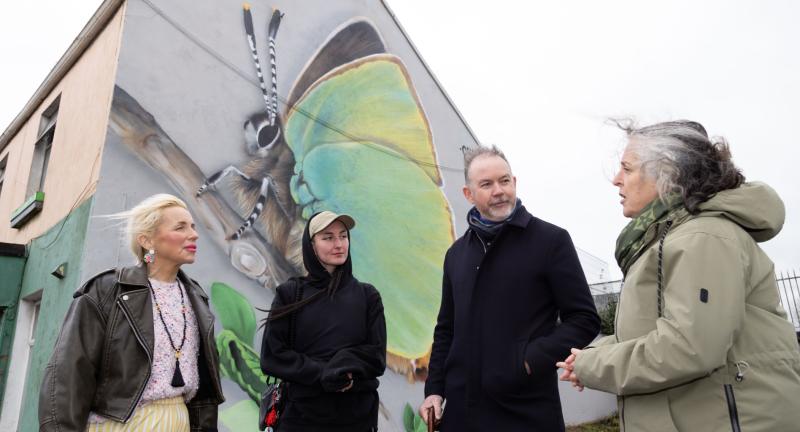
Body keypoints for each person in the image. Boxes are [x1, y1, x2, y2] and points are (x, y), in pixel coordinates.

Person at [557, 120, 800, 431]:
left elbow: (689, 347)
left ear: (667, 173)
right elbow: (652, 333)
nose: (616, 180)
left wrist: (592, 366)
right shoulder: (667, 240)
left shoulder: (703, 237)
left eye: (627, 169)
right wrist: (593, 354)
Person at [418, 145, 601, 431]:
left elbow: (584, 319)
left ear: (514, 183)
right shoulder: (456, 255)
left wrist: (528, 360)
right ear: (468, 194)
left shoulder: (550, 241)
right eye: (487, 184)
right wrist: (434, 390)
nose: (499, 190)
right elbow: (446, 329)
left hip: (525, 410)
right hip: (462, 412)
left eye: (504, 181)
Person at [38, 193, 224, 431]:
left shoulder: (195, 296)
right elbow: (68, 374)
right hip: (119, 424)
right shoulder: (106, 291)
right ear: (147, 240)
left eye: (192, 226)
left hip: (179, 421)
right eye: (180, 227)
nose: (194, 234)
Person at [260, 211, 387, 431]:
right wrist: (324, 373)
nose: (338, 244)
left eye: (343, 236)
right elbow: (273, 356)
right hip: (302, 418)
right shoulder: (290, 294)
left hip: (356, 419)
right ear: (311, 245)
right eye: (328, 237)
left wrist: (343, 364)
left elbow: (376, 356)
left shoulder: (368, 296)